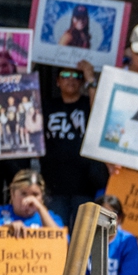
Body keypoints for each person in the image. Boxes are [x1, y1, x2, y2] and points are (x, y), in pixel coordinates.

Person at [41, 68, 109, 227]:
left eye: (77, 76)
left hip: (86, 185)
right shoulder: (46, 106)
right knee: (57, 236)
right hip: (54, 185)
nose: (71, 79)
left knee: (83, 237)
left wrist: (91, 77)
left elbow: (101, 113)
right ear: (57, 81)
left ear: (82, 82)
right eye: (65, 75)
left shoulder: (89, 103)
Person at [0, 169, 64, 264]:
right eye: (23, 194)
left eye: (35, 195)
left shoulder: (50, 217)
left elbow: (62, 248)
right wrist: (4, 231)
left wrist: (41, 209)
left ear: (42, 196)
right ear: (12, 193)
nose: (29, 199)